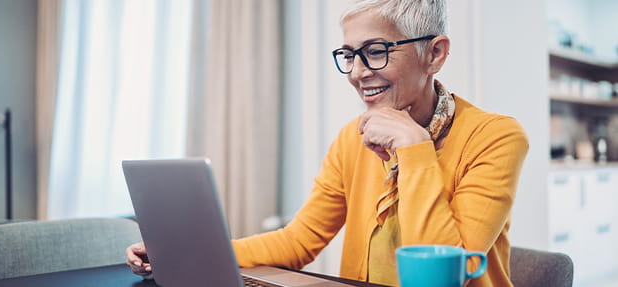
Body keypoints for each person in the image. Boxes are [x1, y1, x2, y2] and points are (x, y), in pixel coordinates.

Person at [126, 0, 528, 286]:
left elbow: (447, 275)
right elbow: (298, 241)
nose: (356, 73)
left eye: (375, 52)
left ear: (435, 54)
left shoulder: (496, 138)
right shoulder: (352, 140)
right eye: (349, 55)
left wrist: (415, 150)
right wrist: (185, 253)